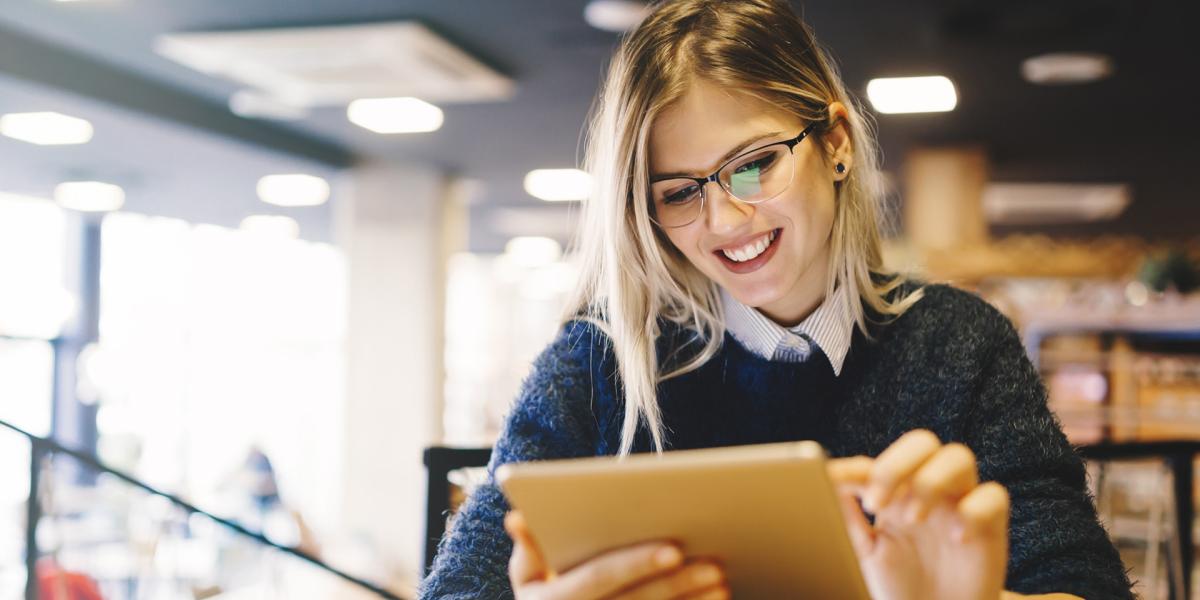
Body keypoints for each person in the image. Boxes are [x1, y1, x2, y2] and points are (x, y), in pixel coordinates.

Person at [420, 0, 1134, 598]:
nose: (726, 222)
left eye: (755, 164)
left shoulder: (958, 345)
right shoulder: (601, 360)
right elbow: (459, 584)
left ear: (836, 144)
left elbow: (1082, 581)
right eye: (678, 192)